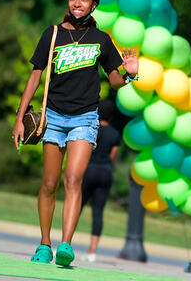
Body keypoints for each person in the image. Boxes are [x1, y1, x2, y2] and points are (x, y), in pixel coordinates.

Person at [12, 0, 139, 267]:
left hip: (84, 118)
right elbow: (35, 77)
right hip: (53, 118)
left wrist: (129, 73)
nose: (77, 3)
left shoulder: (101, 39)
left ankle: (66, 244)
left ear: (94, 5)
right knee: (48, 184)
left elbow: (115, 81)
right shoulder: (53, 34)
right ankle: (44, 244)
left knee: (73, 180)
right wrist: (20, 119)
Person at [80, 98, 121, 262]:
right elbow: (112, 155)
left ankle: (65, 243)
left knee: (76, 206)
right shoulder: (115, 133)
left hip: (89, 170)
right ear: (111, 115)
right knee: (98, 213)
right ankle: (92, 252)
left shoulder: (92, 129)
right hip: (105, 172)